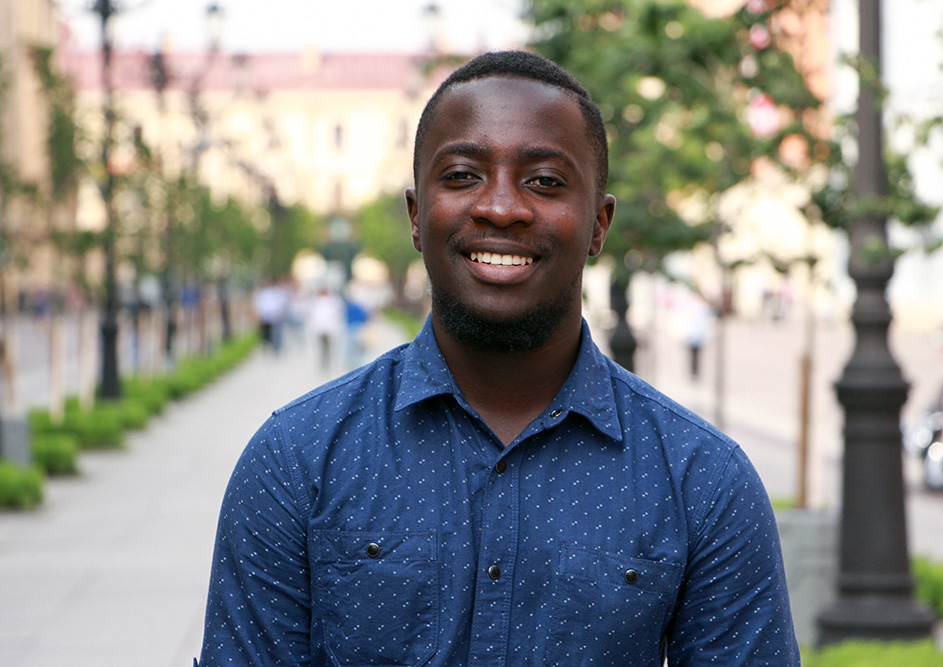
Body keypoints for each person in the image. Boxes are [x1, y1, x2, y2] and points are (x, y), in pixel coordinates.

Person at [198, 50, 797, 666]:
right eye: (462, 176)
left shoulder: (703, 480)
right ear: (415, 216)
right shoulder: (295, 460)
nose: (502, 207)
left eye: (545, 181)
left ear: (599, 224)